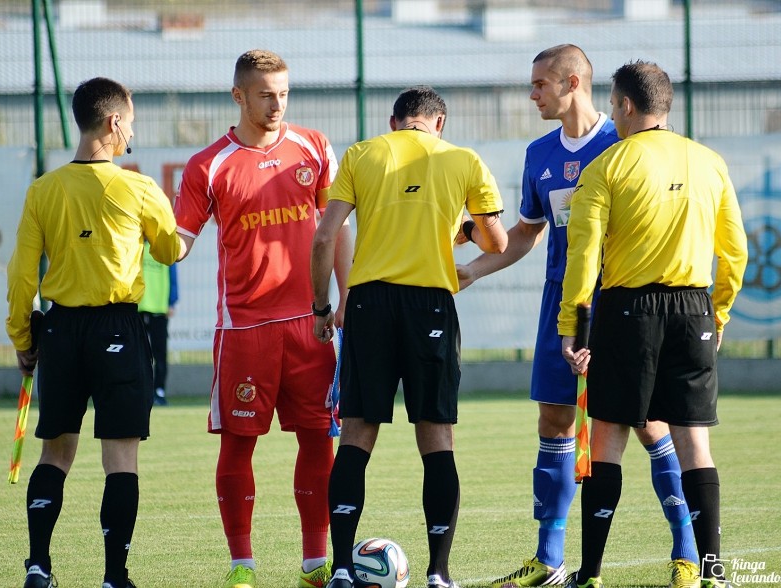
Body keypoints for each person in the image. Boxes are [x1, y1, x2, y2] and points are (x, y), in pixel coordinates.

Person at [456, 45, 700, 588]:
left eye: (540, 84)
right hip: (558, 302)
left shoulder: (624, 142)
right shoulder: (539, 153)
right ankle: (549, 561)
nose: (532, 93)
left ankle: (688, 553)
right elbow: (525, 233)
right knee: (554, 421)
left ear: (573, 83)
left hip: (619, 303)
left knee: (647, 421)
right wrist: (473, 270)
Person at [557, 60, 748, 588]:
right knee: (694, 443)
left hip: (627, 313)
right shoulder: (710, 162)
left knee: (608, 439)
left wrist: (572, 327)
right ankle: (713, 572)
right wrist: (719, 314)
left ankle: (591, 573)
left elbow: (584, 259)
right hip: (693, 310)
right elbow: (735, 253)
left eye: (614, 107)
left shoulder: (607, 167)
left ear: (624, 105)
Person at [311, 85, 509, 588]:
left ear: (395, 121)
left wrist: (322, 307)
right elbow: (497, 241)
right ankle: (438, 573)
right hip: (430, 305)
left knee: (356, 433)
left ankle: (340, 570)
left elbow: (324, 236)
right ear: (437, 123)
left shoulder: (362, 153)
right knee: (436, 437)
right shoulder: (463, 159)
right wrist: (460, 231)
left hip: (370, 304)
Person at [173, 49, 352, 588]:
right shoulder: (209, 164)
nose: (277, 104)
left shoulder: (314, 147)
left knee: (320, 439)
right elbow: (178, 242)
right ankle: (242, 566)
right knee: (238, 443)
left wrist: (344, 298)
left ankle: (315, 562)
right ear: (239, 96)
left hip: (311, 322)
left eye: (283, 93)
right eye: (265, 94)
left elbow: (336, 227)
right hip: (244, 329)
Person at [6, 77, 181, 588]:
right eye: (131, 122)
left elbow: (22, 276)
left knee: (55, 453)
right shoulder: (138, 186)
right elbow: (171, 250)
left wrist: (24, 339)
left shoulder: (43, 188)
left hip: (60, 330)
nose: (132, 133)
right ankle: (113, 577)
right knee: (120, 458)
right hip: (119, 329)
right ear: (114, 123)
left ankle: (38, 565)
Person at [139, 241, 179, 406]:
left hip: (159, 308)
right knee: (139, 354)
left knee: (160, 353)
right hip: (139, 307)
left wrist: (172, 301)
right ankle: (141, 391)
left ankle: (159, 391)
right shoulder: (137, 246)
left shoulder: (164, 249)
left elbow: (173, 276)